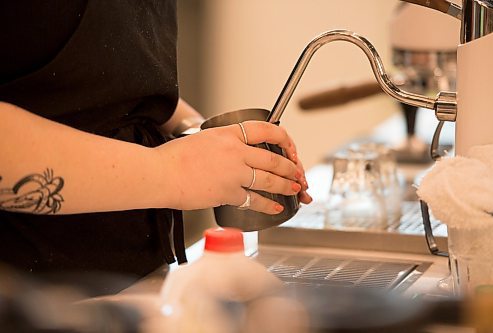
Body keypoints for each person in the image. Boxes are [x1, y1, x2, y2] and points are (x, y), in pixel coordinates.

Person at [0, 1, 312, 293]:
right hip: (25, 294)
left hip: (136, 283)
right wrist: (175, 170)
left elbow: (112, 79)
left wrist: (203, 138)